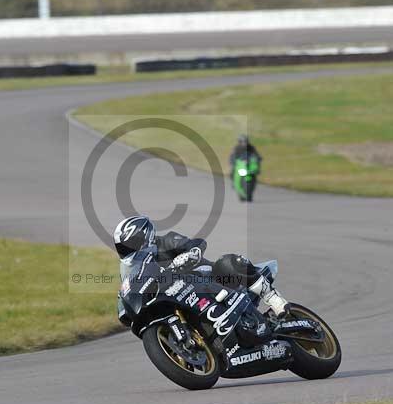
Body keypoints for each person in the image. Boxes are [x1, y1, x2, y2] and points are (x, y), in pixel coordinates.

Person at [113, 215, 291, 316]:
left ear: (145, 236)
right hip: (177, 298)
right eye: (122, 247)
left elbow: (195, 243)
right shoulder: (131, 271)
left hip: (210, 280)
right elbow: (129, 291)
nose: (127, 250)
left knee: (228, 262)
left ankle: (274, 300)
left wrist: (191, 253)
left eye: (131, 243)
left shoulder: (166, 242)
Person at [229, 134, 262, 202]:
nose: (244, 143)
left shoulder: (251, 147)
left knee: (255, 169)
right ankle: (233, 182)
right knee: (232, 171)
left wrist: (258, 158)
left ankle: (254, 179)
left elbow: (256, 155)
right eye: (242, 141)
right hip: (240, 164)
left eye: (245, 141)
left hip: (249, 164)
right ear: (239, 142)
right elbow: (232, 156)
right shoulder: (236, 148)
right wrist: (233, 162)